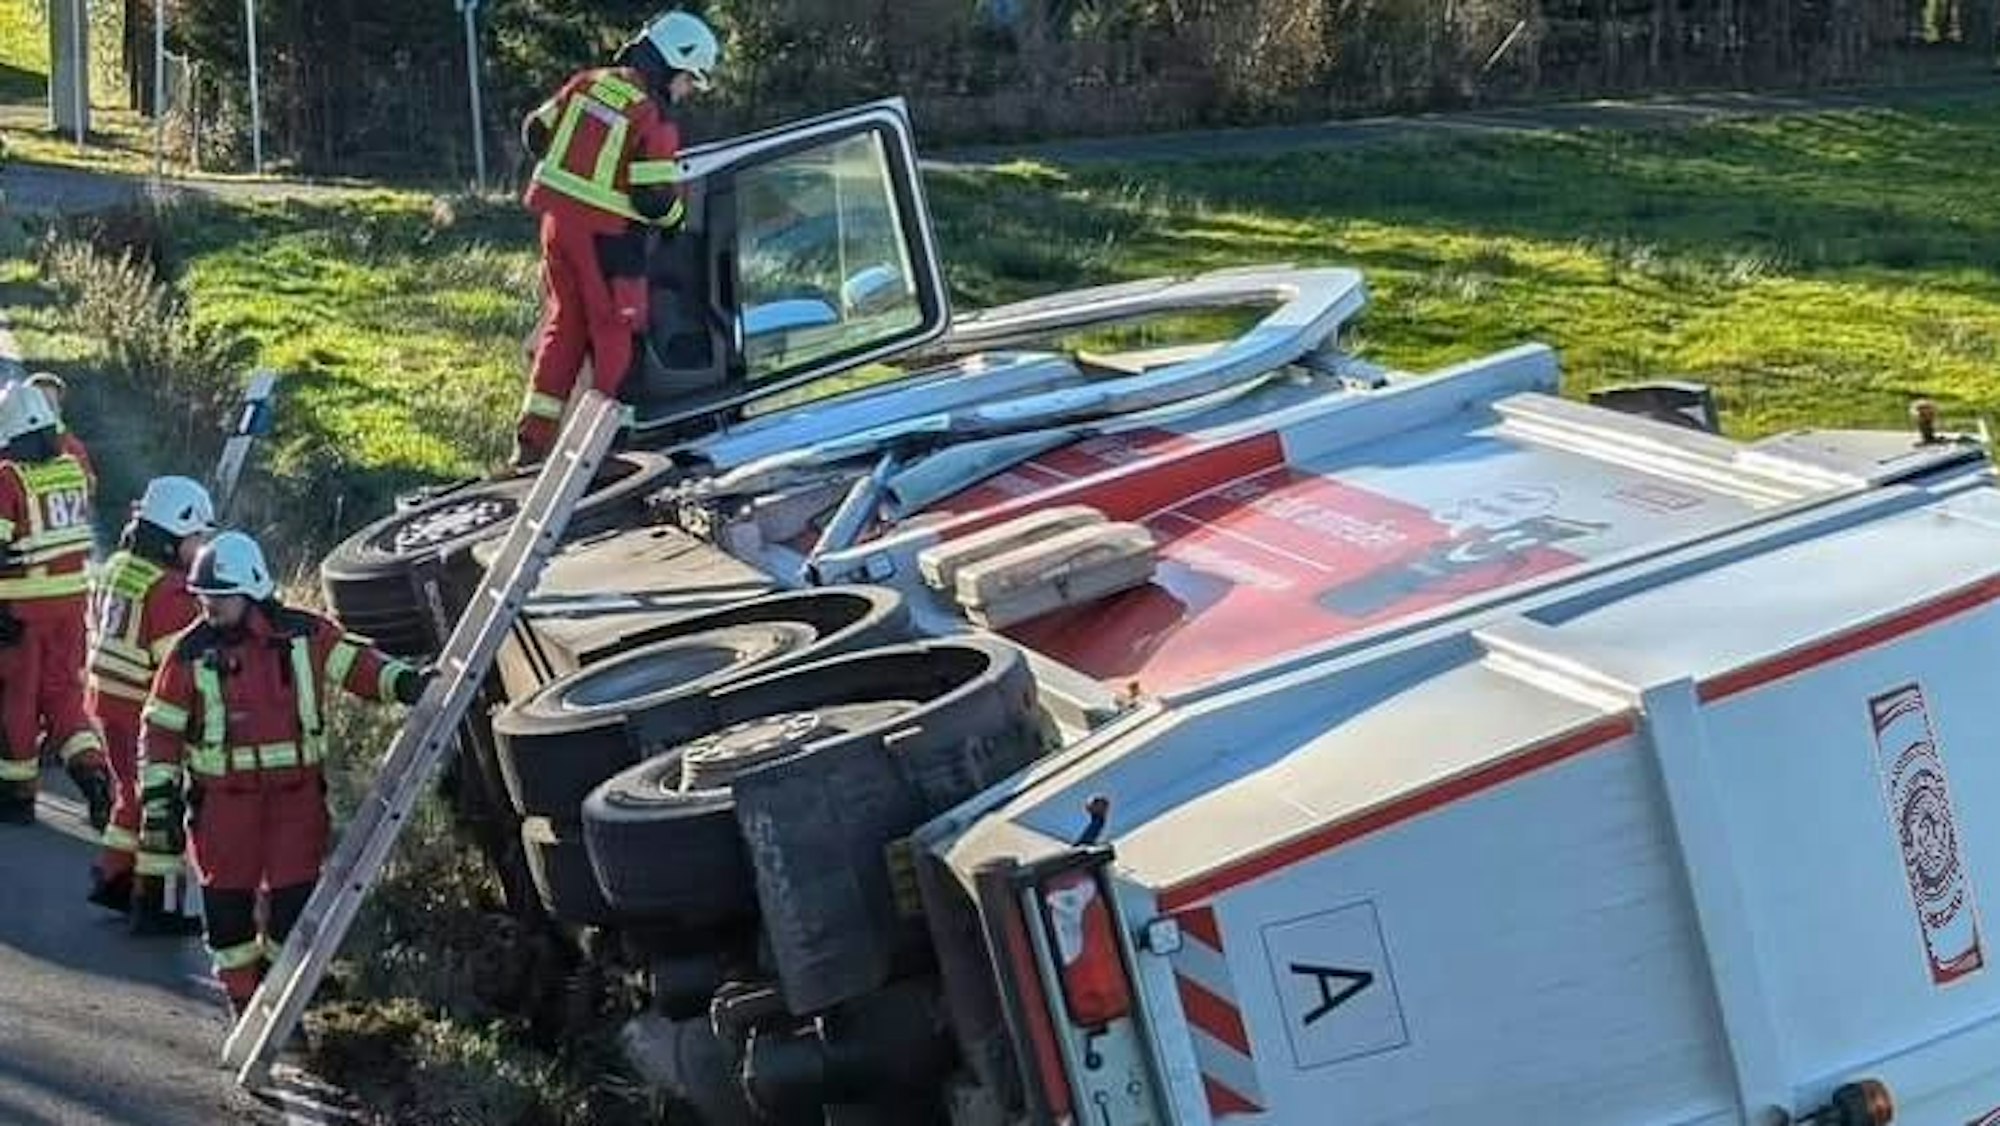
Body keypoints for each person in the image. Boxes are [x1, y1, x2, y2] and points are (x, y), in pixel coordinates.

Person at [136, 531, 431, 1014]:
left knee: (293, 909)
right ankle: (244, 1003)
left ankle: (277, 1002)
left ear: (251, 589)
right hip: (223, 808)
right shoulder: (188, 652)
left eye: (218, 598)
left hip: (296, 801)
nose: (208, 608)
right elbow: (161, 732)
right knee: (227, 916)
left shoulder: (305, 634)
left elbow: (358, 665)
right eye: (203, 598)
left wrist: (406, 683)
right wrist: (159, 803)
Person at [511, 9, 720, 467]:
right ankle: (608, 445)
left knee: (564, 325)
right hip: (607, 239)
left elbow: (535, 132)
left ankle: (532, 441)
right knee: (616, 330)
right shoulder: (653, 116)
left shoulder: (588, 82)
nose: (686, 92)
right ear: (672, 64)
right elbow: (652, 198)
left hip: (555, 226)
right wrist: (677, 221)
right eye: (689, 80)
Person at [84, 476, 214, 933]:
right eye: (197, 538)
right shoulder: (172, 592)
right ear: (173, 536)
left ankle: (114, 878)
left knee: (131, 793)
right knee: (163, 804)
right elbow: (179, 670)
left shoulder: (116, 566)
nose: (201, 549)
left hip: (104, 699)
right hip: (143, 708)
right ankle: (155, 906)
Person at [0, 381, 110, 827]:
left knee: (18, 700)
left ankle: (17, 795)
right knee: (64, 697)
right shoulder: (71, 471)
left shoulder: (8, 479)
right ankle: (95, 776)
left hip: (20, 614)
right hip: (71, 609)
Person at [25, 371, 95, 487]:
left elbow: (90, 484)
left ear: (59, 409)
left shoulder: (71, 445)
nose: (44, 410)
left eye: (50, 405)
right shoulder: (8, 444)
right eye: (38, 404)